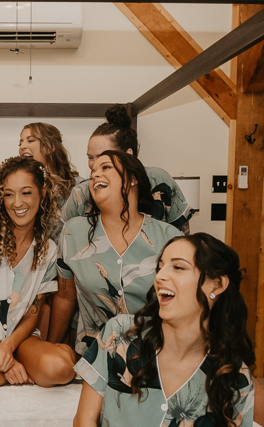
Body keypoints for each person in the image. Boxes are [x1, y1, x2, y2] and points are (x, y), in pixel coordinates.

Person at [33, 234, 255, 427]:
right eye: (160, 266)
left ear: (217, 284)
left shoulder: (233, 379)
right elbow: (84, 421)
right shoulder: (120, 337)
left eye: (178, 267)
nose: (161, 276)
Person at [0, 157, 77, 390]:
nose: (17, 203)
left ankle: (20, 364)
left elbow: (33, 312)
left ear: (42, 192)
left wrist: (9, 347)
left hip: (22, 340)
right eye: (9, 194)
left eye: (26, 193)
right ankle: (11, 372)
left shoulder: (49, 249)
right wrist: (2, 356)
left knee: (60, 368)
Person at [47, 151, 183, 355]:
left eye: (106, 167)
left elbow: (186, 302)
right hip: (96, 356)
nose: (95, 174)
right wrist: (49, 347)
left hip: (157, 353)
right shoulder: (73, 233)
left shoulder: (169, 237)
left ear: (133, 179)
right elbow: (65, 298)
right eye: (93, 171)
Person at [62, 104, 193, 232]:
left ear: (128, 155)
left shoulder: (159, 180)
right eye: (90, 157)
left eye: (103, 157)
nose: (94, 165)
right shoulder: (81, 193)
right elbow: (65, 238)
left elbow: (182, 233)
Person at [19, 122, 81, 208]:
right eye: (20, 143)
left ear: (49, 148)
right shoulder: (17, 184)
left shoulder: (77, 186)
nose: (22, 146)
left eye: (30, 140)